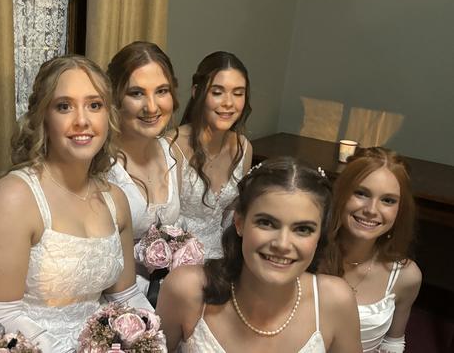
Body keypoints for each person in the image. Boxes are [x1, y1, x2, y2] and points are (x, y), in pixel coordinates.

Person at [0, 55, 150, 352]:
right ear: (43, 116)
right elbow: (1, 315)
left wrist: (150, 337)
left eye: (94, 105)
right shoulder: (14, 198)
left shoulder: (115, 200)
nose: (82, 120)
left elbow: (125, 297)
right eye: (64, 106)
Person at [157, 158, 362, 352]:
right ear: (239, 223)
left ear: (319, 236)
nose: (282, 244)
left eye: (303, 229)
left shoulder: (335, 301)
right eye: (266, 223)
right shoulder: (187, 289)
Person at [320, 147, 421, 352]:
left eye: (388, 200)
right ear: (341, 194)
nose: (371, 210)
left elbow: (393, 343)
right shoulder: (308, 256)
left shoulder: (406, 276)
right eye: (361, 193)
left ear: (400, 209)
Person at [106, 41, 181, 295]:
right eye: (136, 93)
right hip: (115, 298)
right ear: (115, 98)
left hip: (165, 292)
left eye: (161, 91)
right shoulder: (102, 165)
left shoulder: (171, 152)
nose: (152, 107)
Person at [173, 51, 253, 260]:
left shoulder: (244, 148)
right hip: (175, 259)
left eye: (238, 93)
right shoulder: (172, 146)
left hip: (223, 258)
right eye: (217, 92)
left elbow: (232, 218)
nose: (229, 103)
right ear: (196, 92)